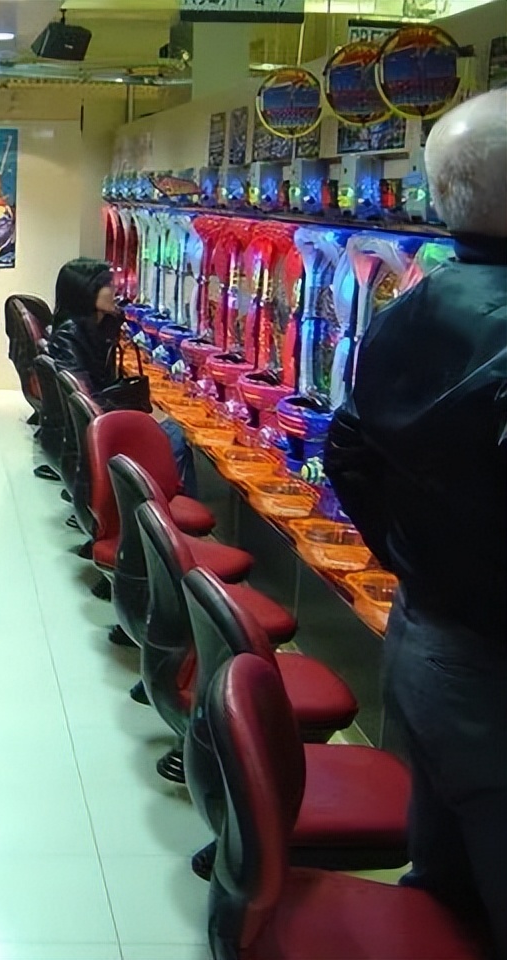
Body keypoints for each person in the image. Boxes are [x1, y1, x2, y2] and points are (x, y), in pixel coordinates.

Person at [326, 88, 507, 957]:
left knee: (443, 886)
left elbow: (346, 450)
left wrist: (404, 555)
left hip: (423, 635)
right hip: (488, 668)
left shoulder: (408, 305)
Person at [47, 257, 196, 495]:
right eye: (108, 285)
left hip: (101, 414)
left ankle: (166, 499)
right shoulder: (69, 336)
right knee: (174, 434)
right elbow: (87, 400)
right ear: (87, 292)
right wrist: (137, 416)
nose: (115, 290)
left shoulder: (98, 327)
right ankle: (168, 502)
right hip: (97, 425)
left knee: (172, 427)